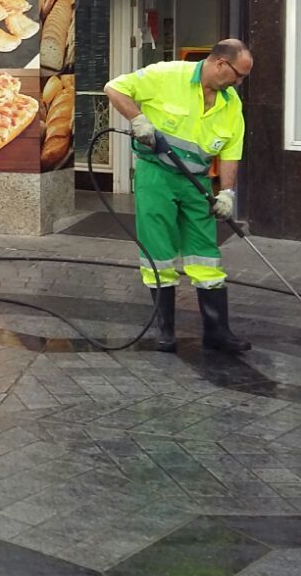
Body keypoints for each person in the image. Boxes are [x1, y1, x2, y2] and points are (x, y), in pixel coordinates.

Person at [104, 38, 252, 354]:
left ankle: (217, 332)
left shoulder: (231, 103)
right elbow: (114, 88)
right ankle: (165, 332)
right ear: (221, 64)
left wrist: (226, 193)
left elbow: (230, 151)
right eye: (238, 75)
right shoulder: (167, 75)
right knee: (158, 251)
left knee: (206, 254)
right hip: (156, 175)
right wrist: (139, 120)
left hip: (195, 182)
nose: (239, 83)